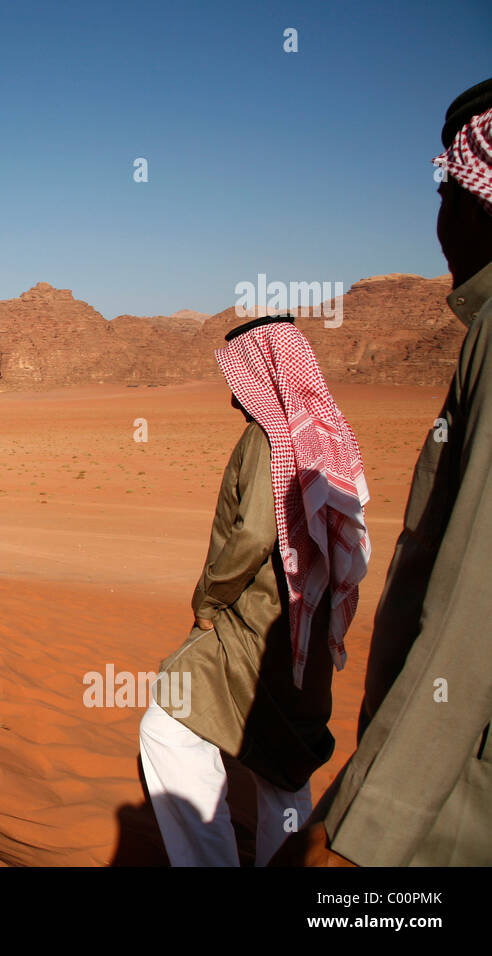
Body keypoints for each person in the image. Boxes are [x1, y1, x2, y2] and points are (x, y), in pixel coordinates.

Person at [277, 78, 492, 867]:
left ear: (473, 203)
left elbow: (473, 609)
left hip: (452, 801)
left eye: (446, 193)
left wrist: (366, 830)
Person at [139, 315, 370, 865]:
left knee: (168, 722)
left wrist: (209, 599)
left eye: (239, 376)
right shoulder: (318, 430)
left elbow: (255, 533)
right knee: (284, 766)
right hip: (305, 630)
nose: (233, 394)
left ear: (263, 371)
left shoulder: (267, 437)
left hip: (255, 624)